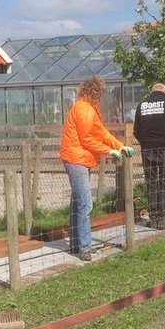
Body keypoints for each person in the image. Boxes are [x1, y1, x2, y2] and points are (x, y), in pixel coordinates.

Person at [60, 75, 132, 261]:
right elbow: (87, 139)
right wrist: (109, 150)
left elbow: (101, 132)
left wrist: (119, 145)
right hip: (77, 159)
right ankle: (84, 247)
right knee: (85, 203)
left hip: (79, 158)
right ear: (95, 92)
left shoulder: (89, 107)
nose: (101, 96)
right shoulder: (84, 109)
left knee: (77, 202)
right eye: (99, 92)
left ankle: (76, 243)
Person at [133, 82, 165, 230]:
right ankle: (164, 217)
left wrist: (146, 142)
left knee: (152, 182)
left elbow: (136, 130)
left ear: (152, 91)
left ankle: (153, 218)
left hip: (148, 149)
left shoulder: (142, 105)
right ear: (164, 91)